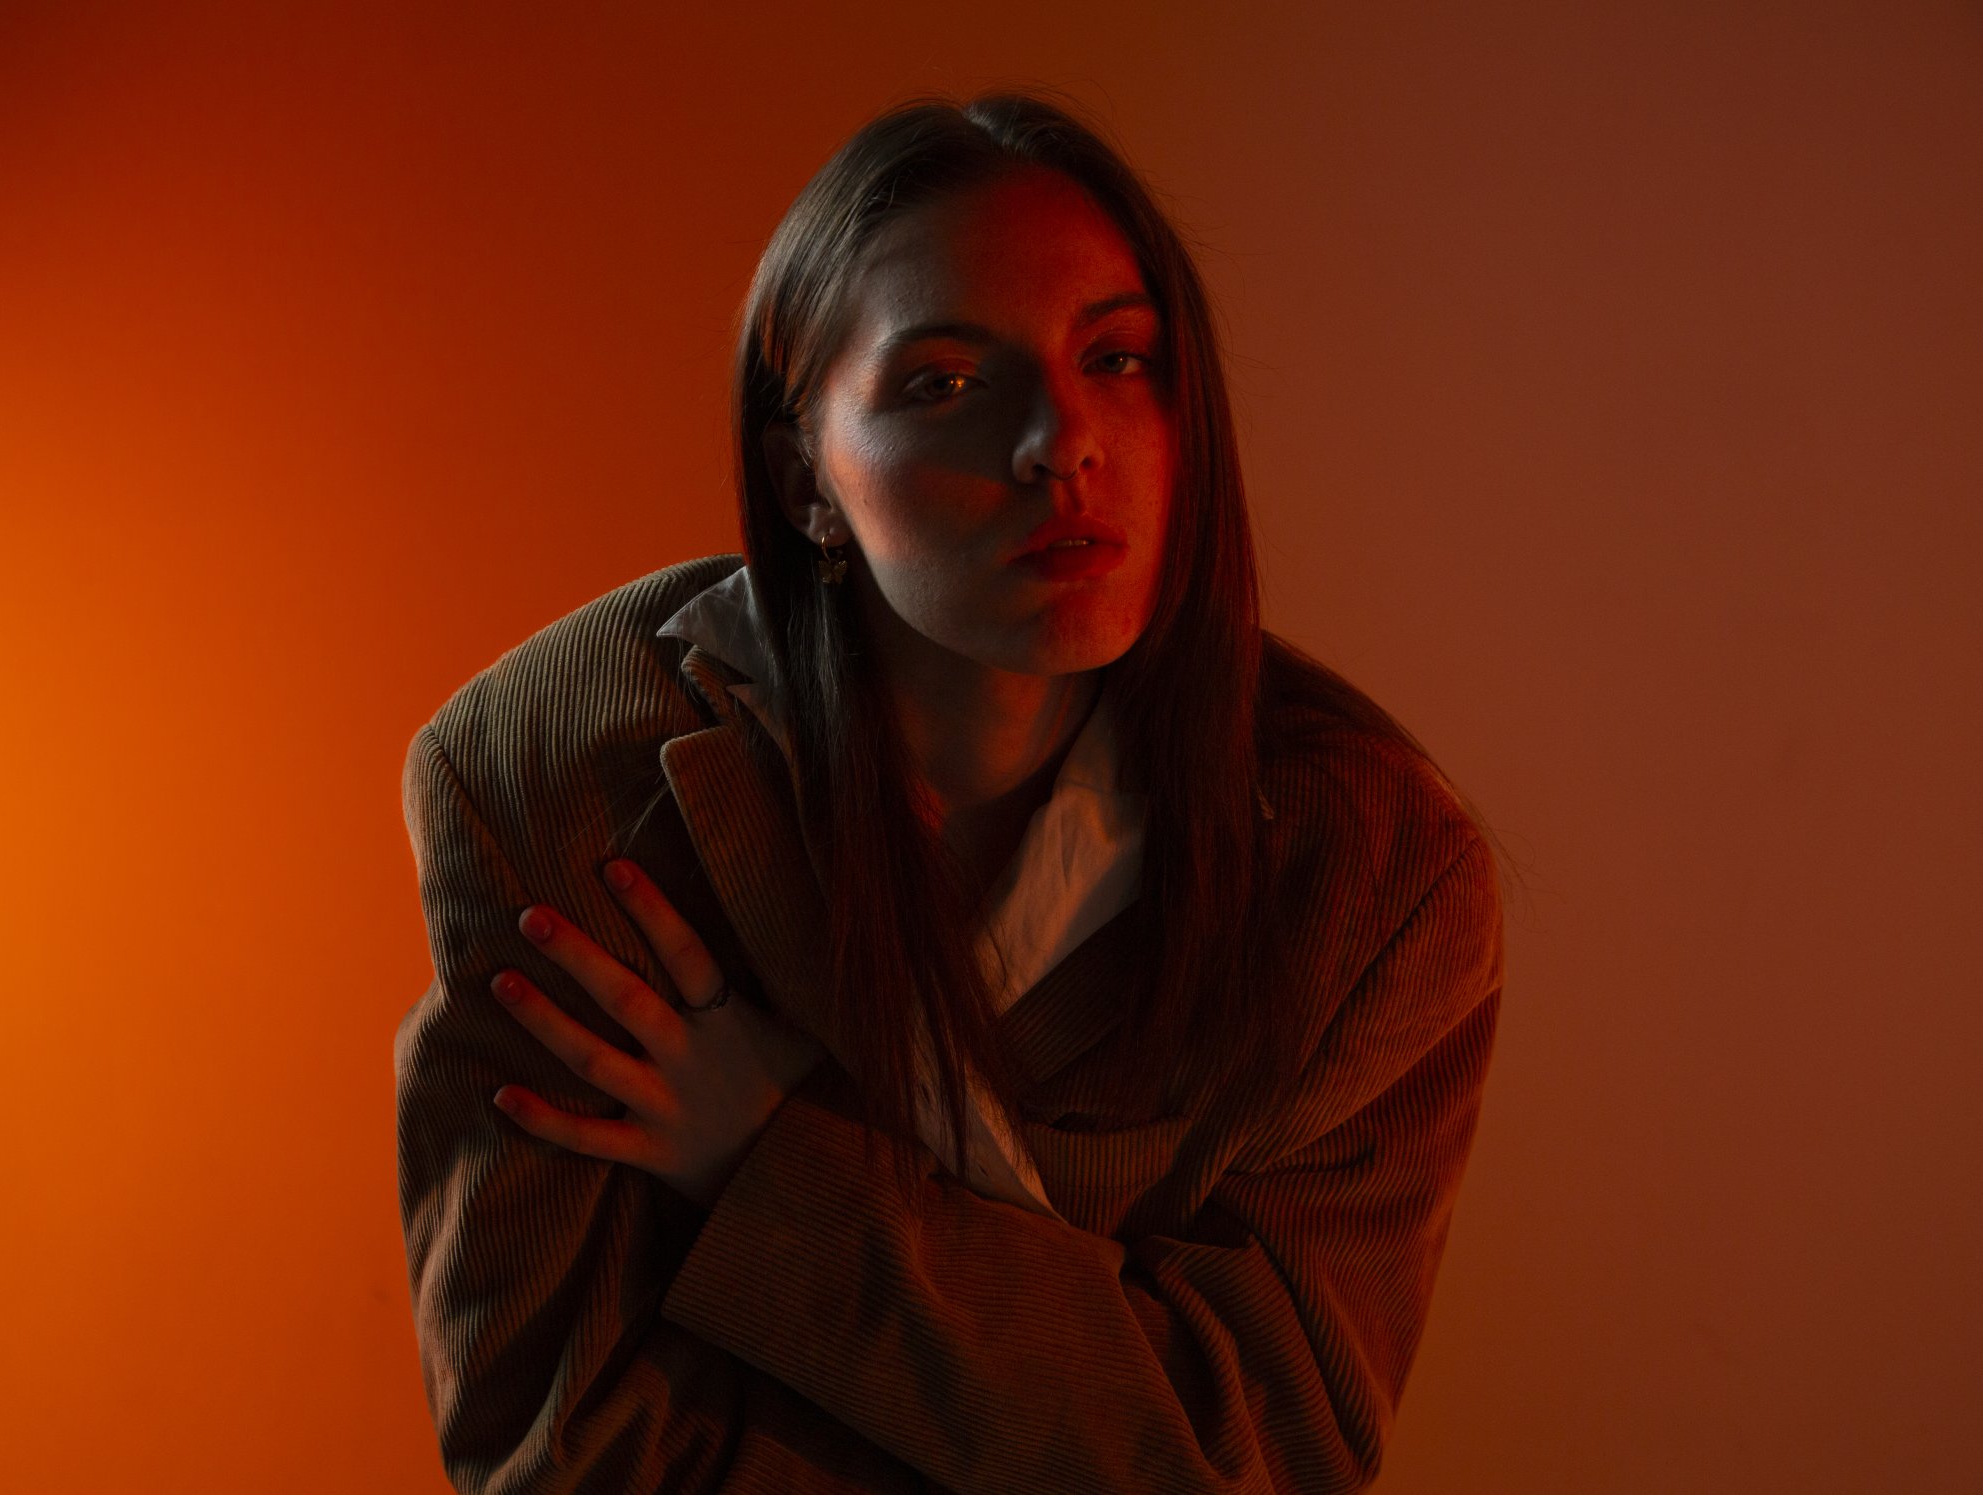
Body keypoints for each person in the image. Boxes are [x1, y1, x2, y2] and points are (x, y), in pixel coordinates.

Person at [395, 87, 1508, 1495]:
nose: (1061, 443)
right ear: (805, 479)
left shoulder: (1375, 871)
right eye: (945, 383)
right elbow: (566, 1453)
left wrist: (774, 1169)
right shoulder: (558, 773)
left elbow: (1255, 1457)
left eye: (1118, 359)